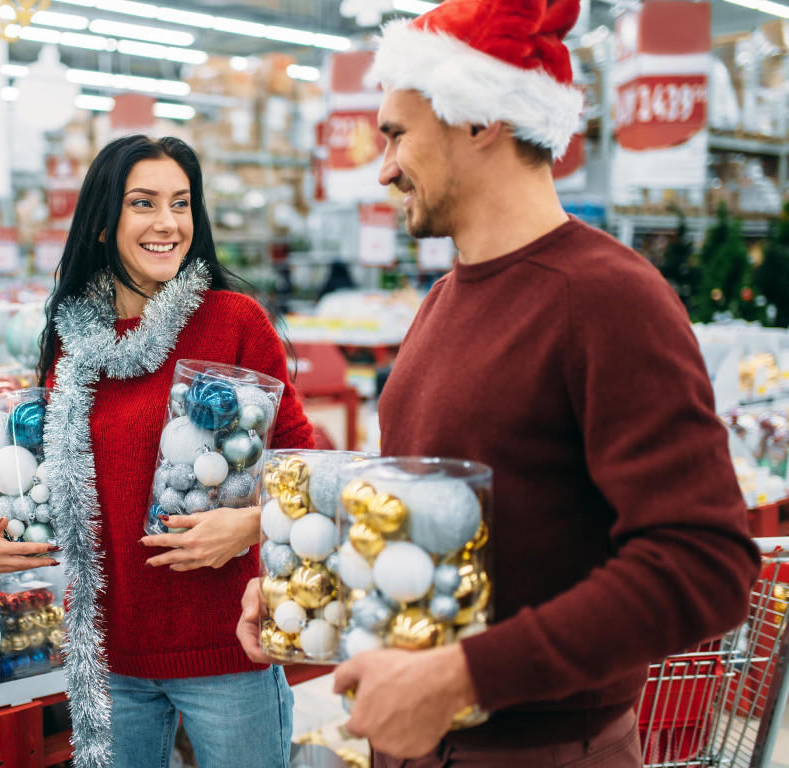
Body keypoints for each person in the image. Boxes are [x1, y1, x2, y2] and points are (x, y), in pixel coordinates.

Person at [237, 0, 760, 764]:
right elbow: (449, 524)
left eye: (397, 134)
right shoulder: (442, 303)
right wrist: (318, 585)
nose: (382, 168)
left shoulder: (607, 297)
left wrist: (461, 677)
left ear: (480, 118)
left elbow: (705, 563)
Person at [0, 135, 314, 768]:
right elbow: (41, 477)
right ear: (103, 223)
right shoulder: (71, 340)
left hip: (227, 648)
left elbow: (304, 470)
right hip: (108, 656)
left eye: (181, 204)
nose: (167, 223)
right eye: (144, 203)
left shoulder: (236, 322)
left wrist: (247, 525)